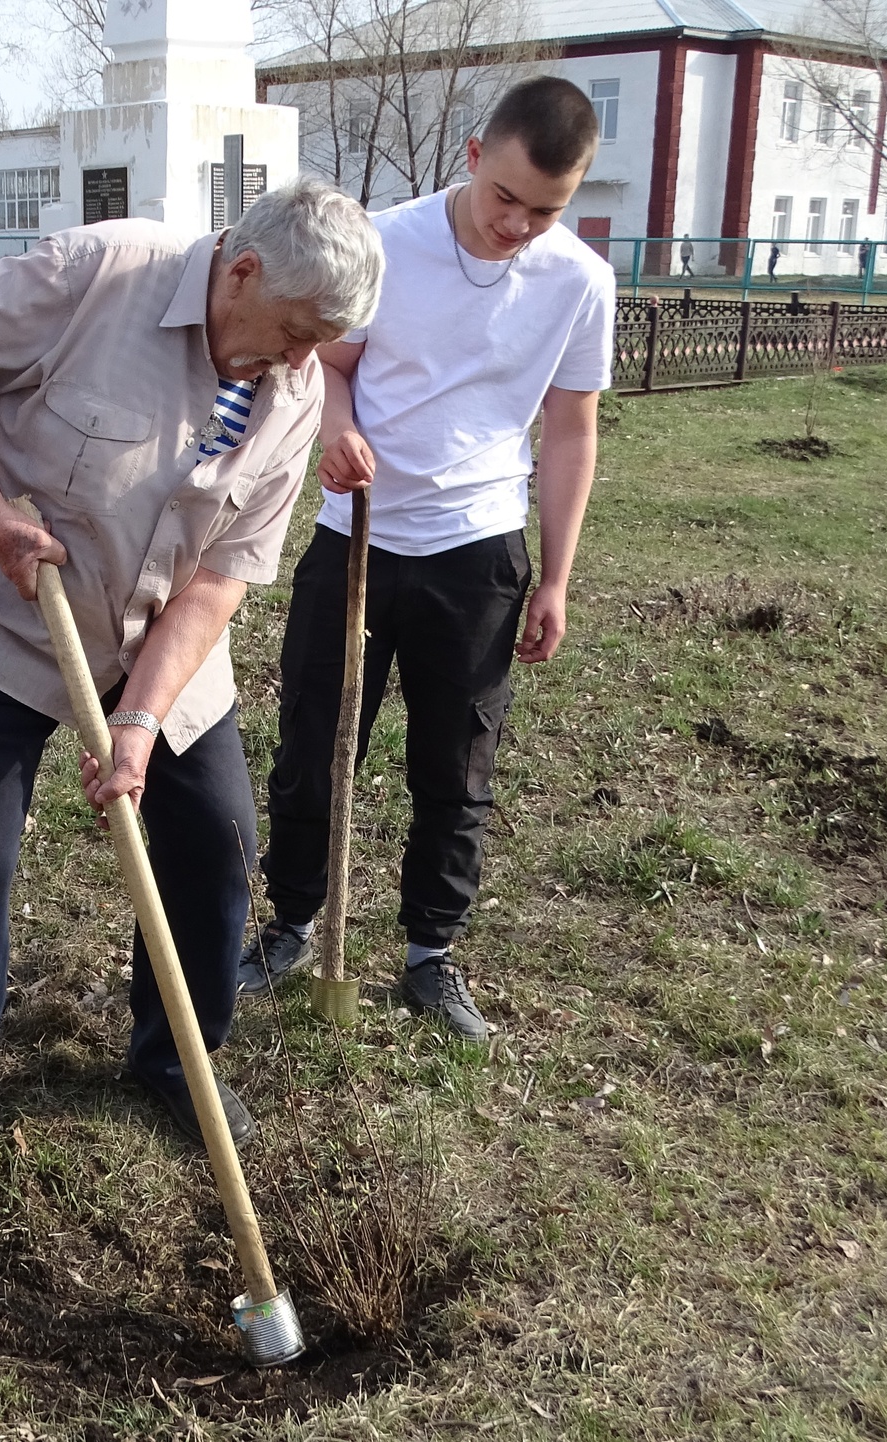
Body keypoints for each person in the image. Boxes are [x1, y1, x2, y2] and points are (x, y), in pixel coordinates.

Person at [0, 179, 384, 1204]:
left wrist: (142, 717)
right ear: (239, 270)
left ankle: (174, 1059)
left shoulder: (293, 391)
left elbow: (223, 574)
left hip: (158, 638)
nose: (296, 360)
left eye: (315, 343)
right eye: (292, 331)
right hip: (7, 616)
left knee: (217, 840)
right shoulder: (101, 273)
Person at [237, 76, 613, 1042]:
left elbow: (571, 431)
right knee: (319, 748)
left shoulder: (578, 282)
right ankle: (291, 927)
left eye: (547, 210)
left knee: (458, 766)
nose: (520, 225)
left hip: (480, 554)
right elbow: (329, 364)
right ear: (475, 153)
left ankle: (429, 956)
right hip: (354, 536)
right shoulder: (387, 244)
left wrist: (558, 575)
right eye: (507, 199)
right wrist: (340, 432)